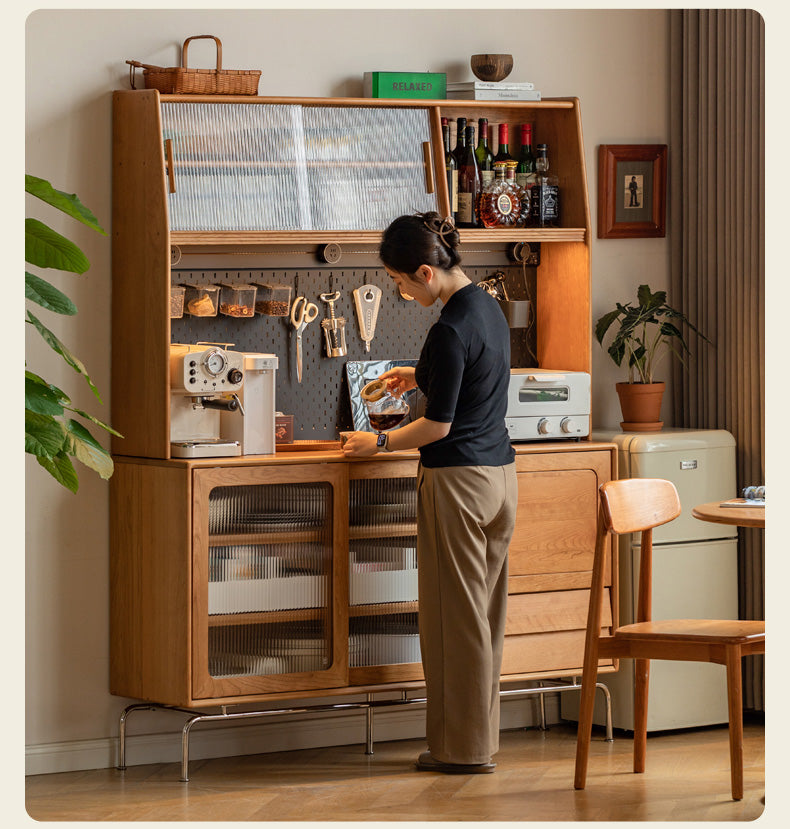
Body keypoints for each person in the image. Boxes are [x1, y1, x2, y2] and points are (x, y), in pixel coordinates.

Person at [342, 212, 517, 774]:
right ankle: (480, 741)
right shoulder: (485, 306)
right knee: (484, 618)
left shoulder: (445, 329)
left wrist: (380, 441)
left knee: (452, 624)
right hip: (499, 480)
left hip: (457, 483)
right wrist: (418, 375)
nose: (397, 290)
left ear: (424, 272)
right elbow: (474, 373)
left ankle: (460, 753)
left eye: (399, 281)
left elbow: (437, 428)